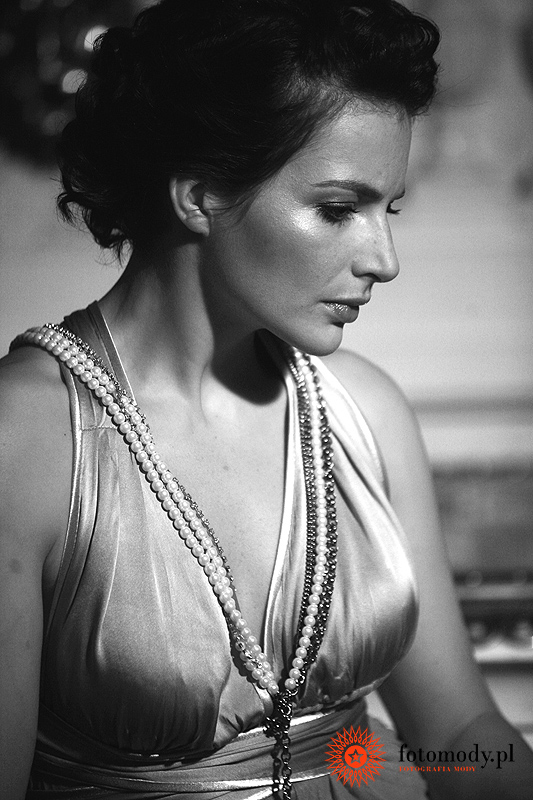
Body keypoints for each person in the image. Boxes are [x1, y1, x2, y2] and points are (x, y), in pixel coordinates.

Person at [1, 0, 532, 798]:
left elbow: (457, 735)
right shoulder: (24, 438)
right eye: (337, 209)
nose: (383, 259)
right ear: (200, 195)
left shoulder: (364, 411)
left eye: (386, 210)